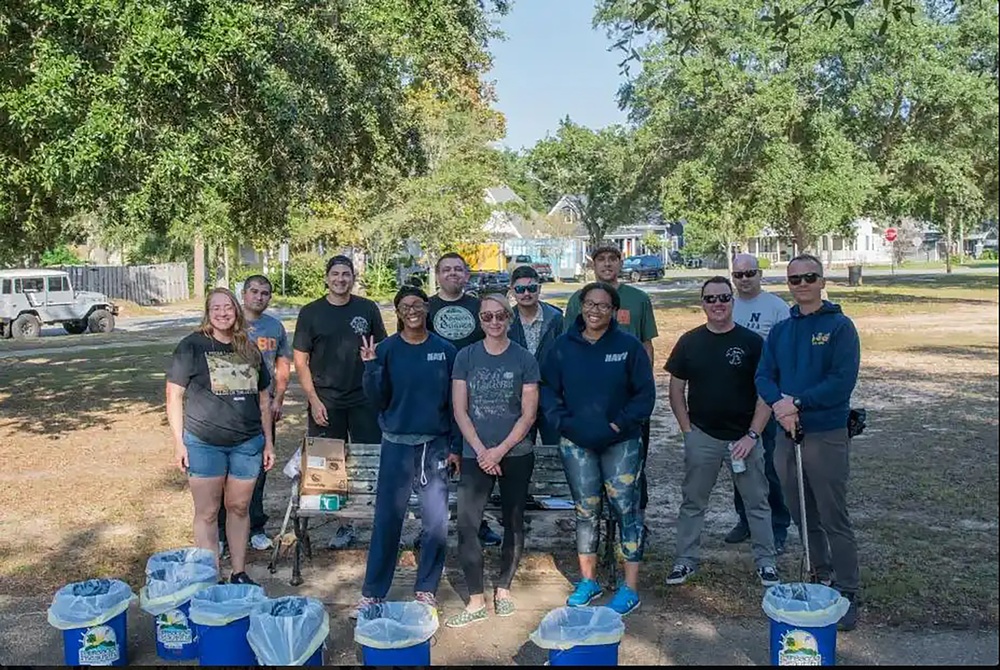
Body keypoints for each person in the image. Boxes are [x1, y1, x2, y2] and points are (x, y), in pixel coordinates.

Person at [756, 254, 862, 631]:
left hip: (825, 432)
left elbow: (840, 381)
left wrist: (797, 402)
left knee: (833, 513)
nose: (802, 284)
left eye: (809, 277)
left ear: (821, 280)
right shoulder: (782, 330)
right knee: (802, 511)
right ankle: (822, 576)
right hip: (787, 432)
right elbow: (764, 375)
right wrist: (781, 408)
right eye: (794, 279)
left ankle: (848, 590)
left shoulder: (840, 327)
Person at [541, 282, 656, 616]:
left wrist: (619, 425)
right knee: (586, 511)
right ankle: (588, 581)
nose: (595, 311)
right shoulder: (562, 347)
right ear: (580, 307)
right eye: (589, 304)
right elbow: (548, 391)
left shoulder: (628, 346)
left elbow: (644, 395)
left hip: (620, 442)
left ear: (613, 311)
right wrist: (567, 425)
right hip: (576, 443)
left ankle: (630, 586)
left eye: (603, 306)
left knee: (626, 510)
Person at [663, 276, 780, 588]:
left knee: (757, 502)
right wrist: (688, 431)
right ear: (702, 303)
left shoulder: (753, 343)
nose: (718, 304)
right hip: (703, 436)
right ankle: (685, 561)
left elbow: (767, 393)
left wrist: (753, 435)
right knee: (692, 502)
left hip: (745, 439)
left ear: (732, 301)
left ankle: (766, 562)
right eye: (710, 299)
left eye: (724, 298)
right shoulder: (689, 341)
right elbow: (675, 389)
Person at [350, 286, 458, 618]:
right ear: (397, 312)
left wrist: (455, 447)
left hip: (434, 446)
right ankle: (373, 594)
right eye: (404, 306)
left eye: (417, 304)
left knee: (436, 523)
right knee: (387, 520)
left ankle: (426, 589)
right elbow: (377, 400)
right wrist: (370, 367)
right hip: (396, 444)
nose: (412, 310)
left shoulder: (445, 350)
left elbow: (455, 404)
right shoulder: (386, 350)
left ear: (427, 308)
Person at [166, 288, 275, 585]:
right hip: (204, 443)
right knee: (208, 512)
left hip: (247, 444)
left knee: (239, 508)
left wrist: (269, 441)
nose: (223, 312)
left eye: (228, 307)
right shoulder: (192, 346)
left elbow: (263, 399)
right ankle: (208, 577)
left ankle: (239, 573)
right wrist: (179, 442)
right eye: (216, 308)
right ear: (208, 312)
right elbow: (174, 396)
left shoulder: (249, 349)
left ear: (236, 311)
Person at [445, 294, 540, 627]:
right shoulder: (465, 357)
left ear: (510, 319)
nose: (495, 322)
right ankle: (475, 599)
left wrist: (499, 451)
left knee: (513, 522)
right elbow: (460, 409)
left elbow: (528, 415)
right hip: (475, 455)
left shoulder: (525, 359)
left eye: (501, 316)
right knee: (467, 525)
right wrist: (482, 451)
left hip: (515, 454)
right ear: (480, 320)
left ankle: (503, 589)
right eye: (488, 317)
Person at [292, 255, 387, 550]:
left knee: (368, 459)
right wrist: (313, 399)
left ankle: (372, 518)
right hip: (326, 401)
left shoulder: (367, 308)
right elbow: (301, 360)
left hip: (364, 398)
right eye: (335, 274)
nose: (341, 279)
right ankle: (343, 524)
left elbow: (380, 348)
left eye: (346, 274)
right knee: (330, 463)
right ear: (326, 277)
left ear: (353, 278)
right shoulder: (311, 313)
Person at [564, 244, 658, 538]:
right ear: (593, 264)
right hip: (589, 403)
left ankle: (633, 523)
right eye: (601, 259)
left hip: (627, 403)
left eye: (612, 259)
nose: (607, 264)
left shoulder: (638, 299)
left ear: (620, 263)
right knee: (589, 465)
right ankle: (593, 524)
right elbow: (568, 349)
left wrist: (641, 389)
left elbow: (646, 345)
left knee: (632, 465)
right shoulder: (576, 301)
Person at [426, 252, 501, 546]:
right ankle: (432, 524)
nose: (453, 274)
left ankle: (477, 522)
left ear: (467, 275)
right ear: (438, 275)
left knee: (472, 457)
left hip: (476, 390)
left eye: (458, 269)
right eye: (446, 270)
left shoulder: (478, 307)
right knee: (434, 458)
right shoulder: (427, 307)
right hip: (435, 391)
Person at [218, 276, 291, 556]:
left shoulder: (275, 327)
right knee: (226, 473)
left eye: (265, 293)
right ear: (244, 294)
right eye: (254, 292)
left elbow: (283, 364)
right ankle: (223, 532)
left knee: (259, 470)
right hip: (231, 407)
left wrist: (279, 398)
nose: (259, 297)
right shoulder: (230, 323)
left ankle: (256, 527)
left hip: (264, 406)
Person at [724, 254, 792, 554]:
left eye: (750, 273)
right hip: (737, 399)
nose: (745, 279)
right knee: (740, 461)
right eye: (738, 275)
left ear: (760, 274)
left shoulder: (776, 307)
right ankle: (745, 520)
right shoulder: (727, 305)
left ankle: (778, 524)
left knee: (770, 465)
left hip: (768, 397)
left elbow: (786, 352)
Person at [507, 265, 564, 446]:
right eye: (520, 289)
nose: (526, 294)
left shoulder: (555, 318)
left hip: (551, 394)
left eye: (531, 288)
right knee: (520, 449)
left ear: (539, 289)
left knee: (556, 447)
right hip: (518, 397)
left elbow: (565, 355)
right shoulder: (505, 320)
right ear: (512, 291)